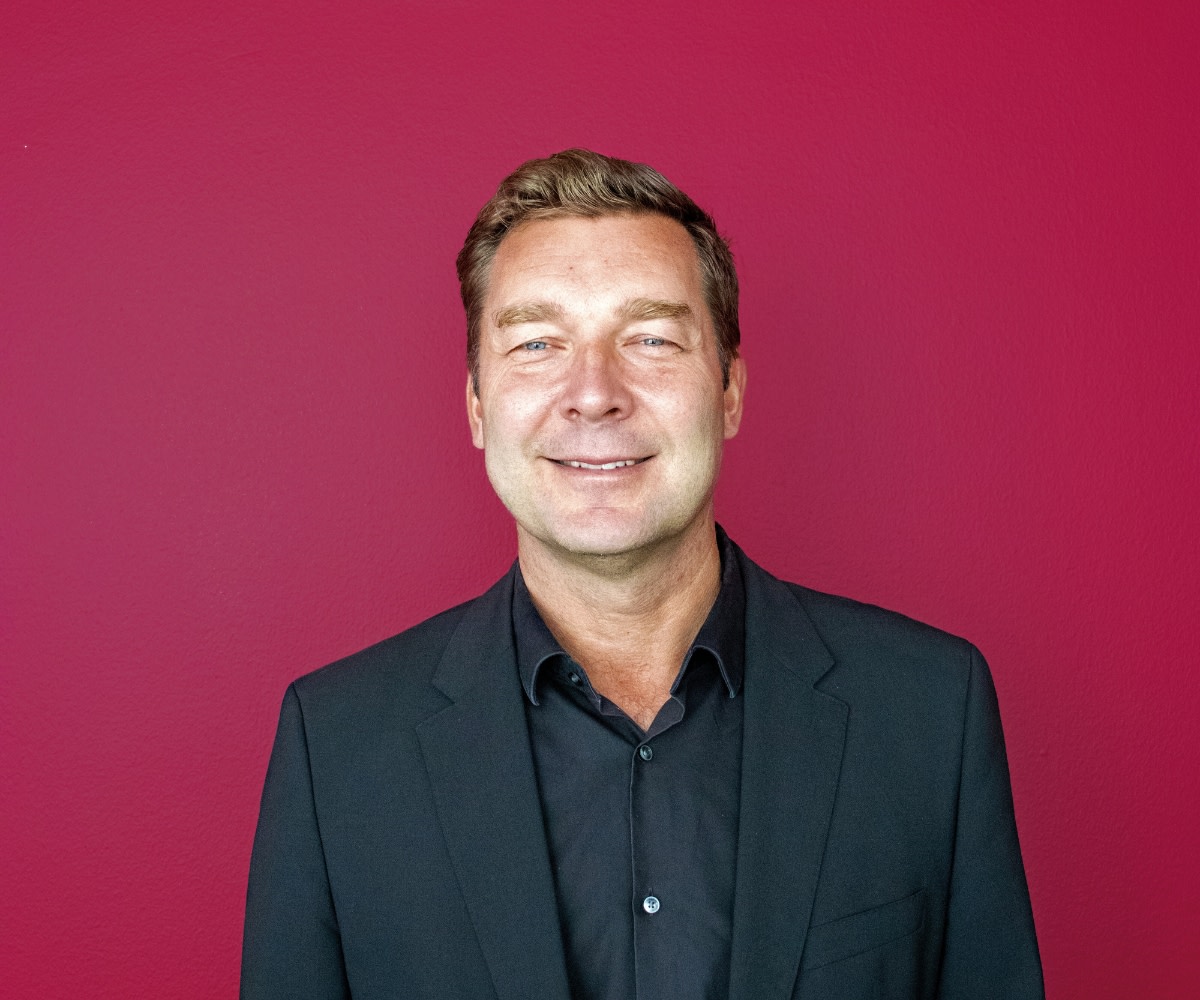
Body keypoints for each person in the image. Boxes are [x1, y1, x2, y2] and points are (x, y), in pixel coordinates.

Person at [241, 149, 1043, 1000]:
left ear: (729, 390)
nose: (594, 393)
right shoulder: (337, 748)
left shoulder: (928, 710)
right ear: (477, 405)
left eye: (651, 339)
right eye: (538, 343)